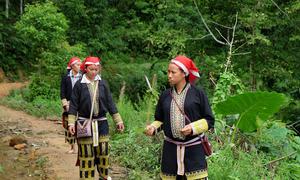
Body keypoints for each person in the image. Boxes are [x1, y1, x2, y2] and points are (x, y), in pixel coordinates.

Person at [145, 55, 215, 180]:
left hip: (193, 152)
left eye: (173, 72)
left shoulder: (198, 94)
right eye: (168, 72)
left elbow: (209, 120)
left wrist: (192, 128)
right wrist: (153, 128)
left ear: (184, 73)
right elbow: (160, 119)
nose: (169, 75)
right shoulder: (165, 95)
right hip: (170, 152)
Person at [68, 56, 125, 180]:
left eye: (96, 69)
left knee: (103, 152)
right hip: (84, 123)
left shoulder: (103, 84)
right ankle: (87, 177)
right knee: (86, 153)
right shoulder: (79, 85)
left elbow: (110, 103)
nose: (94, 72)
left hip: (102, 123)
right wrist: (71, 123)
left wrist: (118, 120)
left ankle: (103, 176)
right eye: (91, 69)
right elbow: (73, 105)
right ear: (85, 69)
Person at [60, 56, 82, 153]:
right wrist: (65, 104)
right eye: (77, 65)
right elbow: (62, 92)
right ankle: (72, 147)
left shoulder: (82, 77)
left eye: (80, 64)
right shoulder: (66, 78)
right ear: (72, 66)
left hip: (81, 104)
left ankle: (81, 146)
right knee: (69, 124)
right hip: (69, 104)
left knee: (81, 124)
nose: (79, 66)